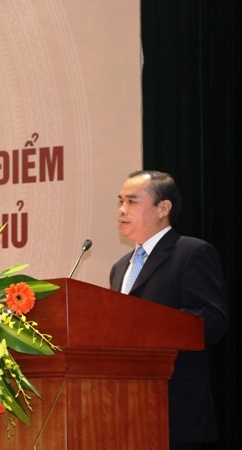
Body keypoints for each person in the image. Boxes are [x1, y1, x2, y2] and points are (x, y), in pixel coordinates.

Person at [109, 170, 228, 450]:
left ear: (163, 208)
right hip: (125, 411)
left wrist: (146, 326)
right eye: (120, 202)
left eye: (132, 202)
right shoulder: (120, 267)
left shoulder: (192, 252)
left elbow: (212, 323)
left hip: (175, 411)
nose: (122, 210)